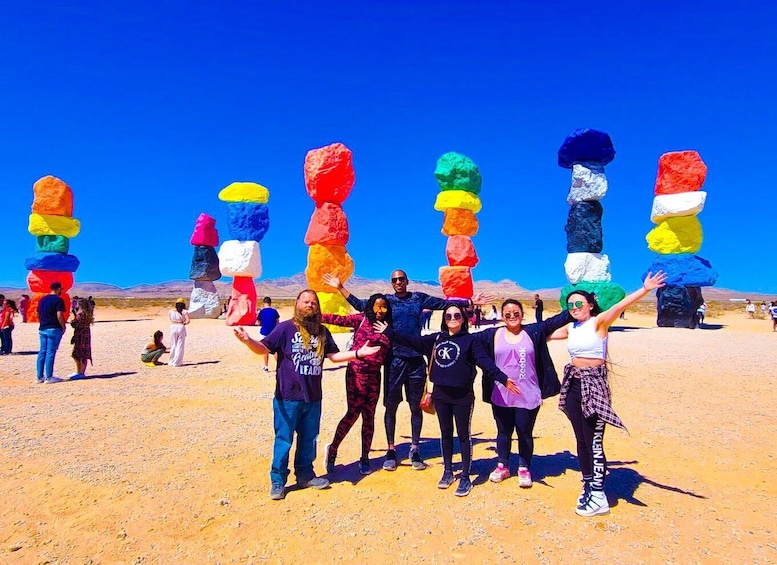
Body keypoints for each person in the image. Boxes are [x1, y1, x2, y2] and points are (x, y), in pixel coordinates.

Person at [324, 270, 491, 472]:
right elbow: (362, 306)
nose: (398, 282)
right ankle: (391, 450)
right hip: (393, 360)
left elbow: (442, 304)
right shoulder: (386, 302)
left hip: (415, 360)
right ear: (391, 283)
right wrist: (340, 287)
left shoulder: (418, 298)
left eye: (401, 279)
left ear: (407, 281)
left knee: (415, 407)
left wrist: (469, 301)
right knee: (391, 407)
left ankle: (415, 449)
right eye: (394, 280)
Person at [233, 289, 380, 500]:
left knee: (309, 439)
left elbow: (334, 356)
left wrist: (358, 353)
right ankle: (278, 481)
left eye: (313, 302)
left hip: (313, 397)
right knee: (284, 439)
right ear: (297, 304)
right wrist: (248, 340)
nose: (310, 305)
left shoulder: (322, 332)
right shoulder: (284, 329)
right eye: (306, 301)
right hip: (288, 396)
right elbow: (263, 348)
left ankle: (305, 474)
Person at [549, 271, 667, 517]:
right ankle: (588, 483)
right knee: (580, 439)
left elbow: (623, 304)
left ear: (591, 305)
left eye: (579, 303)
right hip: (573, 383)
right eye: (570, 305)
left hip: (595, 384)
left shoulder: (599, 322)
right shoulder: (571, 328)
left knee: (593, 440)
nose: (575, 307)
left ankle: (599, 495)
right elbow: (543, 335)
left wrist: (645, 289)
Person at [375, 303, 519, 496]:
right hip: (441, 395)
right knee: (445, 434)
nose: (453, 319)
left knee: (463, 436)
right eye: (449, 316)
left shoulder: (470, 340)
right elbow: (412, 341)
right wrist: (389, 332)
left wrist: (503, 379)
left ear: (463, 319)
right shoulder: (436, 339)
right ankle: (448, 471)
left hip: (462, 397)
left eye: (457, 315)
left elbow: (485, 363)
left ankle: (466, 477)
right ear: (444, 319)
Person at [474, 299, 572, 488]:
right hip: (501, 394)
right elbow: (466, 339)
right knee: (503, 432)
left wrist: (579, 305)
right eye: (508, 314)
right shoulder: (492, 335)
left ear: (522, 314)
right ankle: (503, 465)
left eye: (516, 313)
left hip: (528, 393)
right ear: (502, 316)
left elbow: (558, 320)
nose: (512, 317)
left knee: (524, 432)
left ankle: (524, 467)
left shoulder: (533, 332)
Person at [321, 294, 393, 476]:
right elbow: (337, 319)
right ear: (370, 307)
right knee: (353, 413)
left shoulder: (388, 327)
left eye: (384, 307)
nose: (380, 311)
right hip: (356, 374)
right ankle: (333, 449)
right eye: (377, 307)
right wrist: (314, 316)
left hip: (375, 376)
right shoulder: (361, 320)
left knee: (369, 416)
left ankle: (364, 457)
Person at [36, 282, 67, 383]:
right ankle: (49, 377)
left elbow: (38, 314)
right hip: (54, 328)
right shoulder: (58, 300)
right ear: (58, 289)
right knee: (50, 352)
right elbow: (59, 315)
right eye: (61, 289)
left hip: (43, 328)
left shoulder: (42, 299)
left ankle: (39, 377)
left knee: (42, 352)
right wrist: (63, 326)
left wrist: (43, 322)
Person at [69, 297, 93, 379]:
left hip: (81, 335)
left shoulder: (81, 314)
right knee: (78, 353)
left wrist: (72, 316)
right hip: (84, 334)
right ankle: (79, 371)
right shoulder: (86, 313)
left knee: (81, 354)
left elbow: (74, 324)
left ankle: (81, 372)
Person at [257, 296, 280, 372]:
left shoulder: (261, 312)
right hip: (274, 333)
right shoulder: (274, 311)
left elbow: (258, 322)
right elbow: (278, 322)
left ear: (264, 303)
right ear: (270, 303)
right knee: (276, 350)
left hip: (264, 333)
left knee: (265, 350)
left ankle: (266, 367)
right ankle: (279, 366)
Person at [168, 298, 190, 367]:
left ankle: (171, 361)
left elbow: (170, 319)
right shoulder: (184, 311)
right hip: (180, 326)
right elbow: (188, 321)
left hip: (173, 326)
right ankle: (177, 362)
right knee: (180, 345)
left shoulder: (170, 311)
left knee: (173, 344)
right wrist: (184, 323)